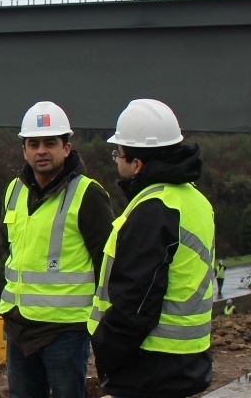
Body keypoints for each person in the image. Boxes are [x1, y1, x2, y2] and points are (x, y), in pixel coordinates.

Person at [89, 98, 215, 398]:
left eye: (118, 153)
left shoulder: (154, 208)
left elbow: (135, 302)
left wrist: (107, 350)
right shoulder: (194, 200)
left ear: (137, 163)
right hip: (188, 358)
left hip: (151, 366)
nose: (116, 160)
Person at [0, 101, 114, 398]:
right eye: (34, 143)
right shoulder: (14, 190)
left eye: (50, 143)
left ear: (67, 147)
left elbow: (108, 263)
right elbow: (9, 249)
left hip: (64, 331)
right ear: (24, 149)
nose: (41, 150)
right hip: (18, 326)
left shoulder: (88, 194)